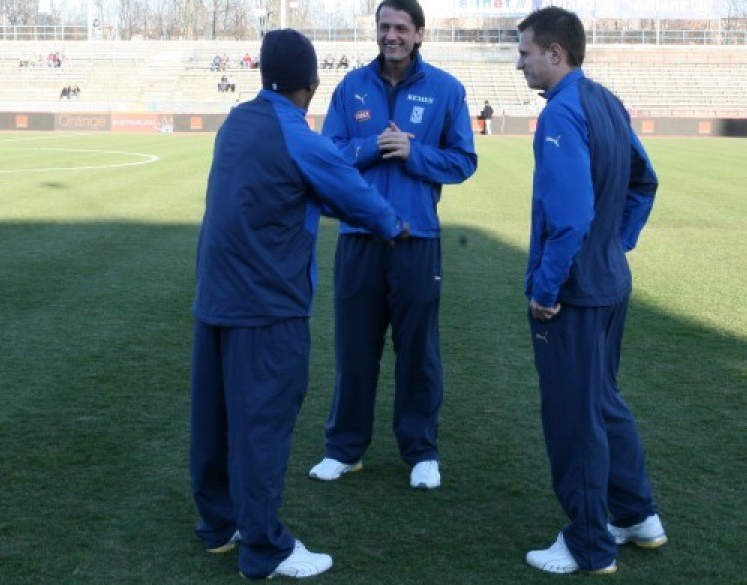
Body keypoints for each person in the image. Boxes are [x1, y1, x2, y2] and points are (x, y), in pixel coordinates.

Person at [190, 28, 409, 581]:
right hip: (268, 305)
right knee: (262, 427)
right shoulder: (298, 136)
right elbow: (351, 193)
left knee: (214, 422)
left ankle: (218, 526)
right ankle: (265, 549)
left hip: (214, 299)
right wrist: (393, 225)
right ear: (311, 85)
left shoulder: (235, 122)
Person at [515, 6, 665, 575]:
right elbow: (645, 180)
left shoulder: (561, 112)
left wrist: (547, 287)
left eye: (526, 52)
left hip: (574, 295)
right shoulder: (606, 101)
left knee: (574, 417)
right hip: (609, 284)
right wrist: (616, 243)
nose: (520, 63)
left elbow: (572, 217)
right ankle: (637, 515)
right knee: (604, 402)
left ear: (556, 54)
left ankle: (588, 544)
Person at [309, 0, 477, 490]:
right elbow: (327, 154)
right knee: (354, 351)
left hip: (415, 239)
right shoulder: (351, 86)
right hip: (359, 237)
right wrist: (372, 147)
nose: (392, 36)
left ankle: (421, 452)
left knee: (418, 352)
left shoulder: (446, 89)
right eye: (385, 26)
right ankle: (344, 449)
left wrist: (413, 152)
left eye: (402, 28)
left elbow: (463, 160)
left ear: (419, 33)